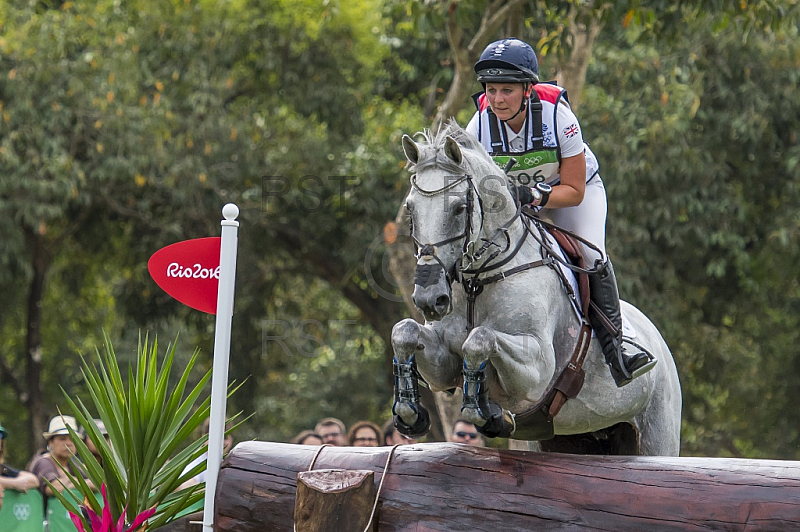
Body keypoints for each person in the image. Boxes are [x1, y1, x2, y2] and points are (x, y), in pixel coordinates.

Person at [465, 37, 656, 387]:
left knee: (589, 253)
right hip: (516, 203)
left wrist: (536, 195)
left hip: (571, 195)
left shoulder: (558, 116)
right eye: (491, 90)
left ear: (527, 90)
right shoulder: (478, 127)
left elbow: (573, 189)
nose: (497, 100)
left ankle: (621, 343)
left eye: (506, 91)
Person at [28, 415, 97, 497]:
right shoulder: (43, 462)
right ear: (50, 442)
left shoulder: (72, 464)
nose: (68, 443)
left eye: (72, 439)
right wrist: (80, 483)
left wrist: (71, 482)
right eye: (62, 438)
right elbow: (52, 488)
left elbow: (97, 484)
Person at [181, 418, 234, 487]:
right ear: (204, 436)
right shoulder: (196, 460)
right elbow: (182, 486)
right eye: (215, 437)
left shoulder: (223, 463)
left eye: (225, 437)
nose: (220, 442)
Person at [0, 423, 39, 494]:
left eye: (0, 435)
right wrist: (14, 484)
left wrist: (18, 482)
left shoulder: (3, 469)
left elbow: (34, 480)